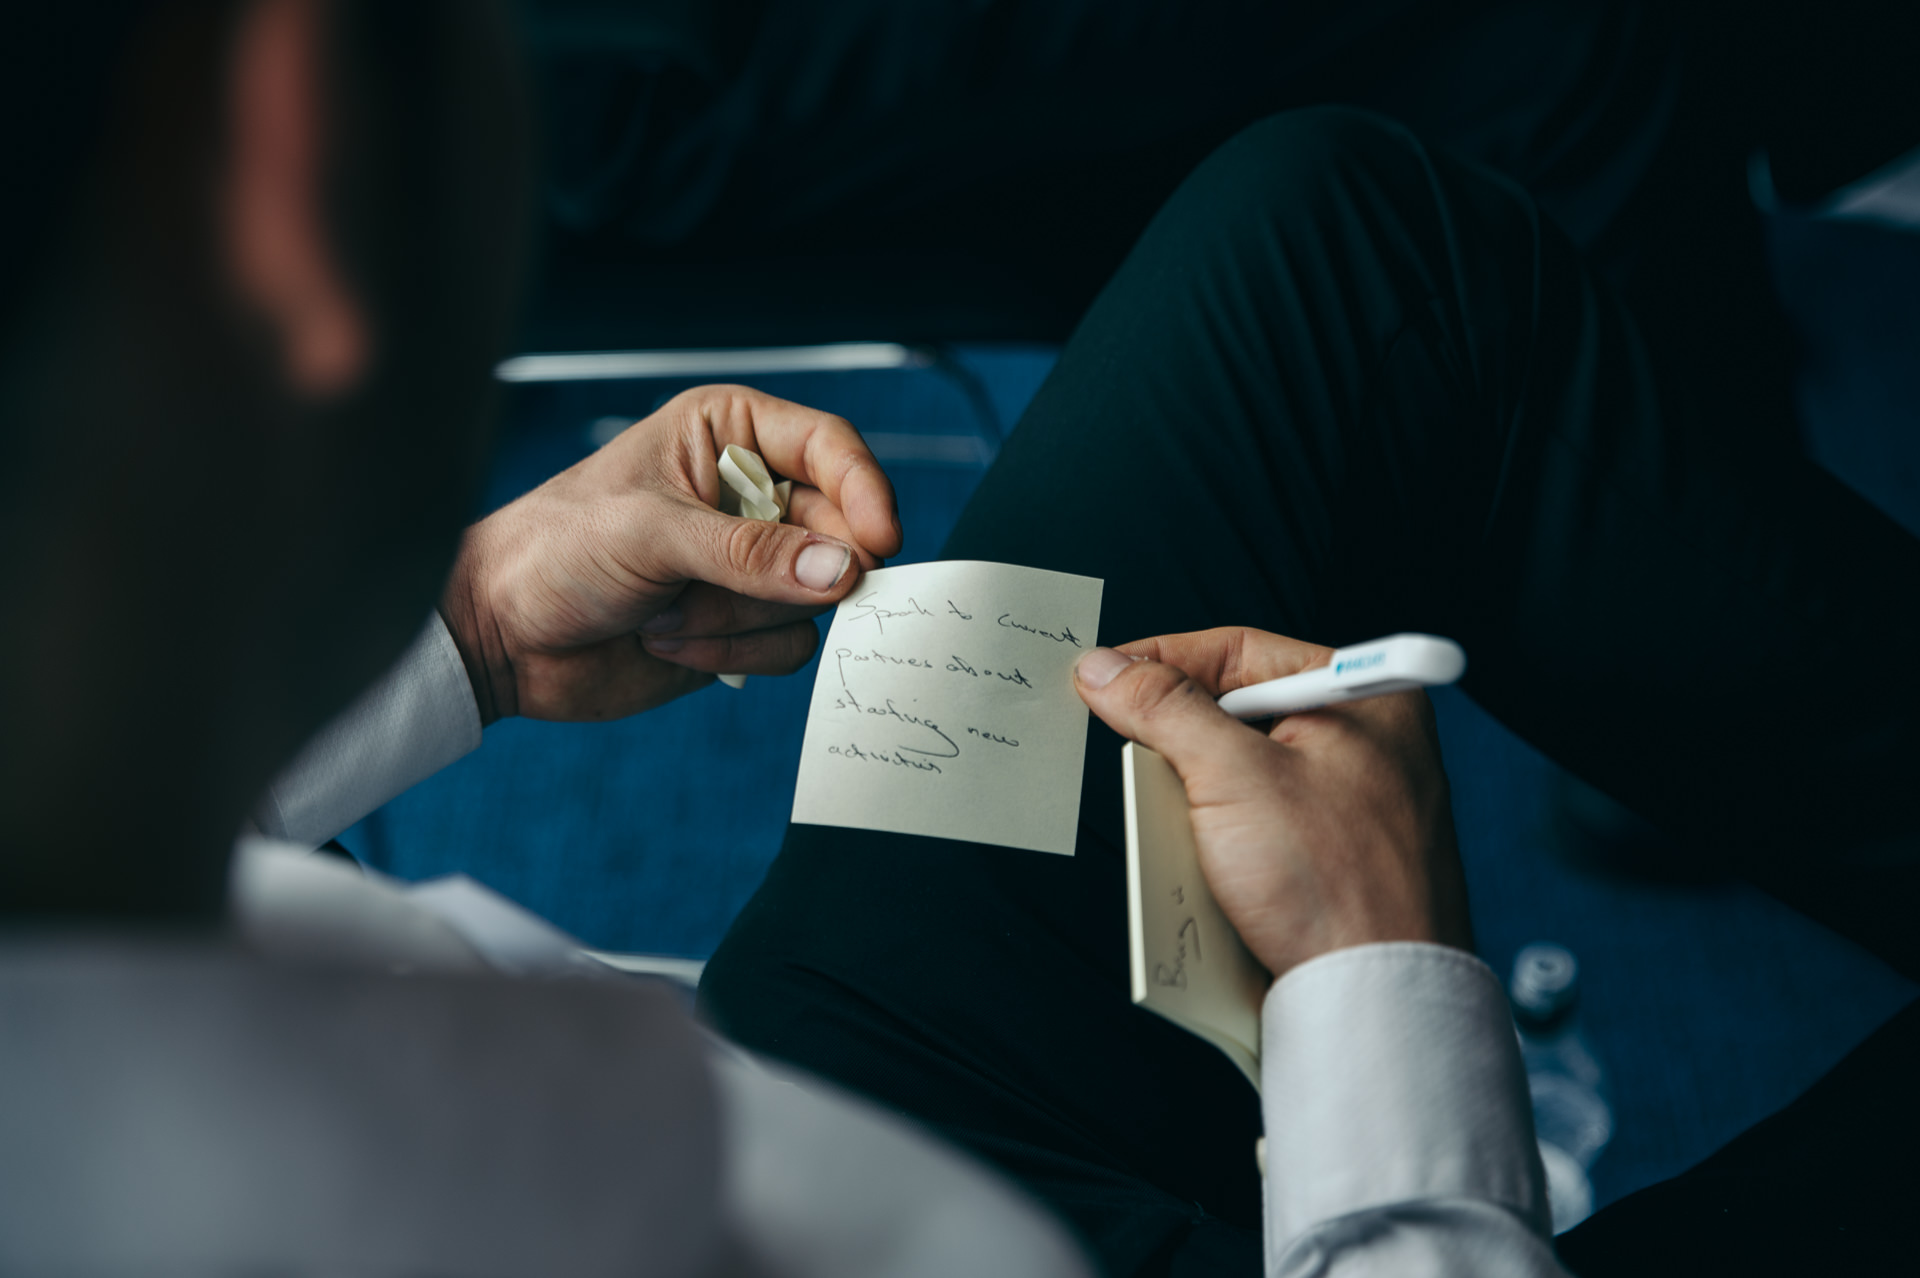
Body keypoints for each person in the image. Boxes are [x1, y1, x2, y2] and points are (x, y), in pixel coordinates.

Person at [4, 6, 1915, 1278]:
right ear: (283, 179)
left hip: (765, 1097)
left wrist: (474, 627)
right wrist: (1378, 996)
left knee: (1339, 261)